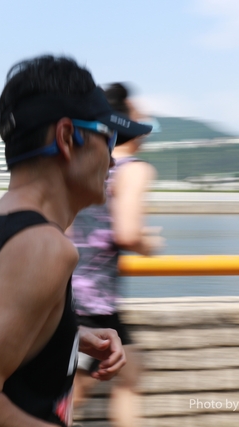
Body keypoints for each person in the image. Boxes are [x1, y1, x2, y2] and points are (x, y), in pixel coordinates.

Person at [0, 56, 153, 427]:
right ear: (67, 138)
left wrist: (67, 335)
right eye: (109, 138)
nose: (113, 161)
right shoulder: (44, 249)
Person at [69, 82, 163, 427]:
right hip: (92, 303)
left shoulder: (84, 164)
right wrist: (148, 243)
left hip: (71, 291)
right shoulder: (133, 169)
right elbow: (127, 233)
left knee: (129, 371)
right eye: (142, 116)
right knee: (74, 393)